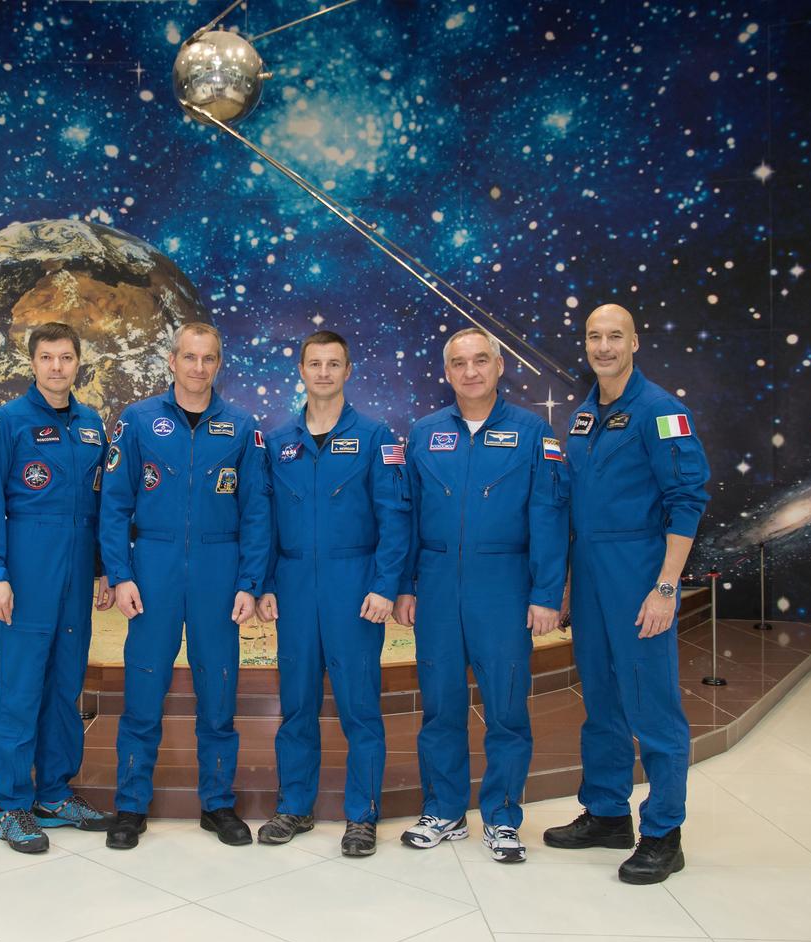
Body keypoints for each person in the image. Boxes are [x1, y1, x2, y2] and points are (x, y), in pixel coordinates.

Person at [543, 303, 710, 884]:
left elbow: (687, 501)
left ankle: (664, 830)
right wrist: (565, 582)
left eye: (616, 336)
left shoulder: (662, 412)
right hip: (589, 579)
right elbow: (574, 508)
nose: (604, 346)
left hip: (639, 576)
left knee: (652, 706)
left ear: (635, 342)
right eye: (594, 336)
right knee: (602, 703)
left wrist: (666, 587)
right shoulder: (585, 416)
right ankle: (609, 813)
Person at [393, 328, 568, 863]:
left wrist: (546, 593)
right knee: (441, 707)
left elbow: (549, 514)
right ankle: (444, 810)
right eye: (459, 363)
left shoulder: (533, 432)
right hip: (438, 586)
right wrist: (404, 585)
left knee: (506, 709)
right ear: (446, 372)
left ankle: (502, 817)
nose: (470, 371)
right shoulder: (423, 434)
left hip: (504, 587)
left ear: (498, 367)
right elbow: (407, 516)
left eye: (481, 361)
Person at [99, 322, 270, 850]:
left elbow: (257, 512)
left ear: (220, 364)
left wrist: (249, 581)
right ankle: (130, 804)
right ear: (171, 361)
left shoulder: (241, 427)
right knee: (143, 688)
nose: (199, 368)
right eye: (190, 357)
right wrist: (121, 573)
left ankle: (217, 803)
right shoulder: (138, 420)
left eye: (209, 358)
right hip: (153, 564)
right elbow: (114, 504)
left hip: (220, 570)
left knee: (218, 690)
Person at [256, 330, 411, 857]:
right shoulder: (278, 442)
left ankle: (362, 816)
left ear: (349, 371)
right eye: (314, 364)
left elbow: (395, 518)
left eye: (334, 364)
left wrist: (386, 585)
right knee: (296, 704)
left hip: (354, 587)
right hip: (295, 588)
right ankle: (294, 806)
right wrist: (267, 583)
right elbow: (265, 522)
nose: (323, 373)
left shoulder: (374, 437)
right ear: (301, 370)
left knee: (359, 707)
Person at [0, 322, 115, 854]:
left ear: (79, 363)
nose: (57, 367)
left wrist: (102, 566)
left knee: (65, 684)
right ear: (31, 363)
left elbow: (102, 505)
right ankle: (12, 805)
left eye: (66, 357)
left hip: (77, 567)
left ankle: (54, 793)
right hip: (26, 570)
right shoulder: (6, 423)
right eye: (47, 357)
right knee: (20, 686)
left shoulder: (93, 424)